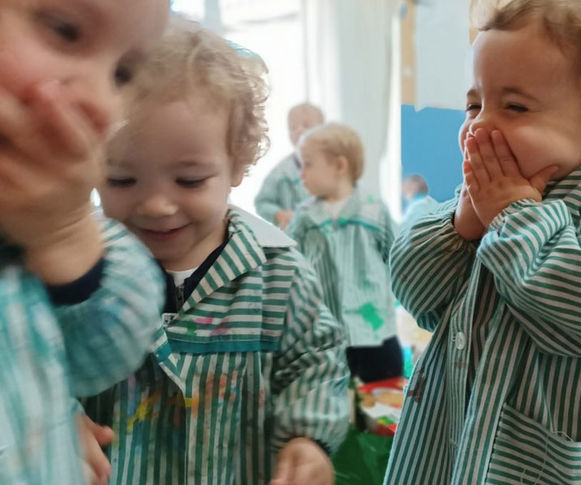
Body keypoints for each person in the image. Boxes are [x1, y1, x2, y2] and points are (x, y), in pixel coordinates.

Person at [385, 1, 581, 483]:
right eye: (475, 103)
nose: (479, 125)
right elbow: (419, 295)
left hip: (569, 461)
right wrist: (462, 225)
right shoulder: (489, 194)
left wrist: (514, 216)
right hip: (456, 445)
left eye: (514, 107)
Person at [82, 19, 349, 485]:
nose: (157, 205)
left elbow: (316, 362)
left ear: (238, 164)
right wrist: (57, 418)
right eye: (121, 179)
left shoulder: (278, 274)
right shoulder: (74, 274)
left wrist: (308, 439)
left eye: (189, 180)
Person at [0, 1, 168, 484]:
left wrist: (64, 232)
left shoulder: (36, 221)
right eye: (64, 31)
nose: (103, 104)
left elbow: (106, 356)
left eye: (122, 73)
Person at [288, 123, 403, 383]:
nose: (301, 174)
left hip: (374, 330)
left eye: (308, 165)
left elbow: (398, 257)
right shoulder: (306, 216)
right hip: (324, 333)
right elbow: (290, 264)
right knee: (330, 398)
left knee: (382, 397)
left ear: (340, 166)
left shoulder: (373, 209)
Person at [255, 103, 324, 229]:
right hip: (295, 238)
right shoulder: (280, 173)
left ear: (323, 130)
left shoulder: (333, 167)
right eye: (293, 127)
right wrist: (279, 214)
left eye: (306, 125)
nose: (298, 130)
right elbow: (261, 202)